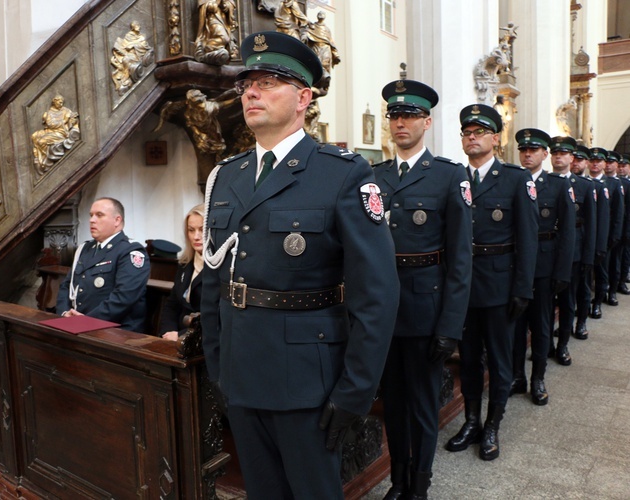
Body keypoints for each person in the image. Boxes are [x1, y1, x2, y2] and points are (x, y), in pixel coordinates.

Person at [200, 31, 400, 499]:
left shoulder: (342, 173)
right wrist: (218, 366)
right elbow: (215, 280)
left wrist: (355, 391)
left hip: (310, 384)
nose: (251, 91)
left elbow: (377, 294)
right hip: (242, 375)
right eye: (247, 83)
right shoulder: (226, 176)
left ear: (303, 97)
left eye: (269, 82)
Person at [373, 80, 472, 499]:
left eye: (410, 116)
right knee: (392, 406)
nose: (401, 123)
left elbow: (460, 260)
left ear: (427, 122)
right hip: (382, 313)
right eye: (394, 116)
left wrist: (449, 326)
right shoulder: (373, 176)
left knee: (422, 408)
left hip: (426, 313)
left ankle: (419, 485)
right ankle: (398, 479)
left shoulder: (449, 177)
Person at [445, 104, 538, 461]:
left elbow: (528, 239)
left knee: (500, 361)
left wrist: (522, 288)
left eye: (479, 132)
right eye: (467, 133)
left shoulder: (516, 179)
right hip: (462, 287)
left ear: (495, 139)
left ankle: (493, 425)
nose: (472, 138)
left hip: (499, 287)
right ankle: (471, 421)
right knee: (468, 358)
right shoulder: (453, 177)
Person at [510, 129, 574, 405]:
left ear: (544, 154)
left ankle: (537, 378)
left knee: (541, 323)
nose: (527, 154)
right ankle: (516, 376)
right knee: (514, 324)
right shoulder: (511, 182)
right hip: (514, 265)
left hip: (544, 265)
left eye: (533, 150)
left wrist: (562, 272)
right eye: (523, 150)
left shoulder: (558, 186)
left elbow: (568, 233)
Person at [56, 197, 150, 332]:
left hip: (116, 330)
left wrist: (86, 321)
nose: (92, 220)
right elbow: (67, 285)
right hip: (79, 324)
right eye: (91, 215)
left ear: (117, 220)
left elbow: (124, 297)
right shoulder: (85, 248)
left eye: (99, 215)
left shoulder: (131, 251)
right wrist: (64, 313)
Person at [550, 136, 596, 365]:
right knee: (545, 301)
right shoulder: (540, 182)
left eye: (563, 153)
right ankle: (546, 342)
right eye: (555, 153)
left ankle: (563, 345)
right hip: (547, 250)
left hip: (574, 251)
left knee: (568, 300)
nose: (558, 157)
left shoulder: (585, 187)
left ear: (571, 157)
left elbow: (591, 223)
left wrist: (589, 255)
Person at [158, 204, 205, 341]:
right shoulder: (185, 263)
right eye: (191, 230)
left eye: (202, 230)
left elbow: (216, 316)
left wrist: (180, 336)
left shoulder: (221, 266)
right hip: (176, 336)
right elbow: (172, 304)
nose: (196, 236)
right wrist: (167, 332)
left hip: (203, 339)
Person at [587, 147, 623, 319]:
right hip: (585, 237)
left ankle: (597, 304)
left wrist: (614, 236)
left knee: (602, 272)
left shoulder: (614, 184)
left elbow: (618, 213)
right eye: (592, 161)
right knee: (584, 275)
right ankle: (583, 305)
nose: (595, 164)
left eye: (599, 161)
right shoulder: (582, 181)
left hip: (604, 237)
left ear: (604, 163)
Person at [31, 94, 80, 174]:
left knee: (41, 142)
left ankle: (44, 162)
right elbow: (50, 124)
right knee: (34, 136)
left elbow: (72, 118)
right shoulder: (49, 112)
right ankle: (38, 156)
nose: (61, 104)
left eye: (62, 103)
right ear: (55, 102)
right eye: (59, 103)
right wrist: (64, 121)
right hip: (50, 131)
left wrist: (72, 119)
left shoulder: (65, 110)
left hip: (61, 132)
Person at [604, 150, 628, 306]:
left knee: (615, 263)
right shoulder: (597, 182)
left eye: (611, 163)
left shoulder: (623, 184)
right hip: (602, 231)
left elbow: (624, 212)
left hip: (617, 230)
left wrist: (623, 232)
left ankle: (613, 291)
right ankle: (602, 290)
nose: (608, 166)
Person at [111, 21, 154, 95]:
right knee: (125, 59)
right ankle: (124, 80)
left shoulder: (142, 36)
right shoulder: (129, 35)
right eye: (136, 25)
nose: (138, 27)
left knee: (129, 61)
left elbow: (144, 45)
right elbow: (126, 46)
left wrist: (134, 45)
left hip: (137, 54)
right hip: (131, 53)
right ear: (132, 28)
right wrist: (134, 44)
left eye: (138, 25)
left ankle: (126, 81)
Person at [618, 154, 630, 295]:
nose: (621, 169)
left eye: (624, 166)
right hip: (615, 225)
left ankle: (622, 280)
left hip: (626, 225)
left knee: (625, 255)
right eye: (619, 166)